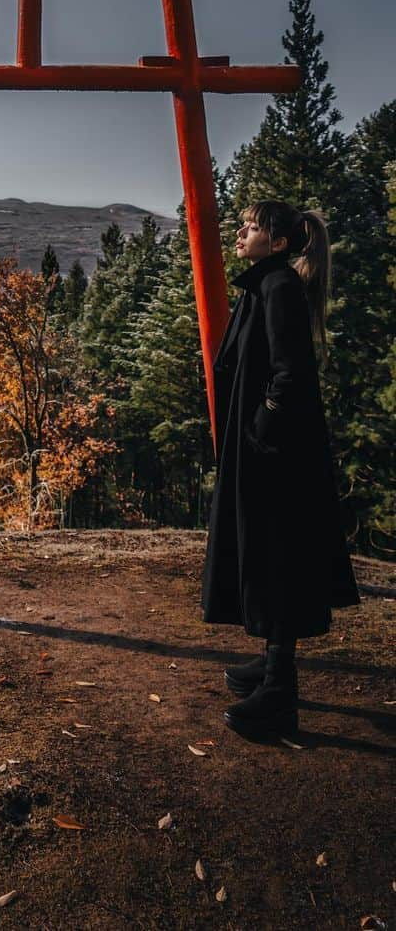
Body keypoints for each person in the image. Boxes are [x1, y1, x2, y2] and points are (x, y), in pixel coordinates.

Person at [200, 200, 360, 740]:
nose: (241, 232)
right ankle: (271, 666)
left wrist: (263, 429)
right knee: (268, 555)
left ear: (280, 243)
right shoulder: (266, 284)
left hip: (277, 458)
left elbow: (290, 375)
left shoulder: (279, 289)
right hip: (266, 453)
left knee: (279, 560)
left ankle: (280, 694)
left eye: (252, 227)